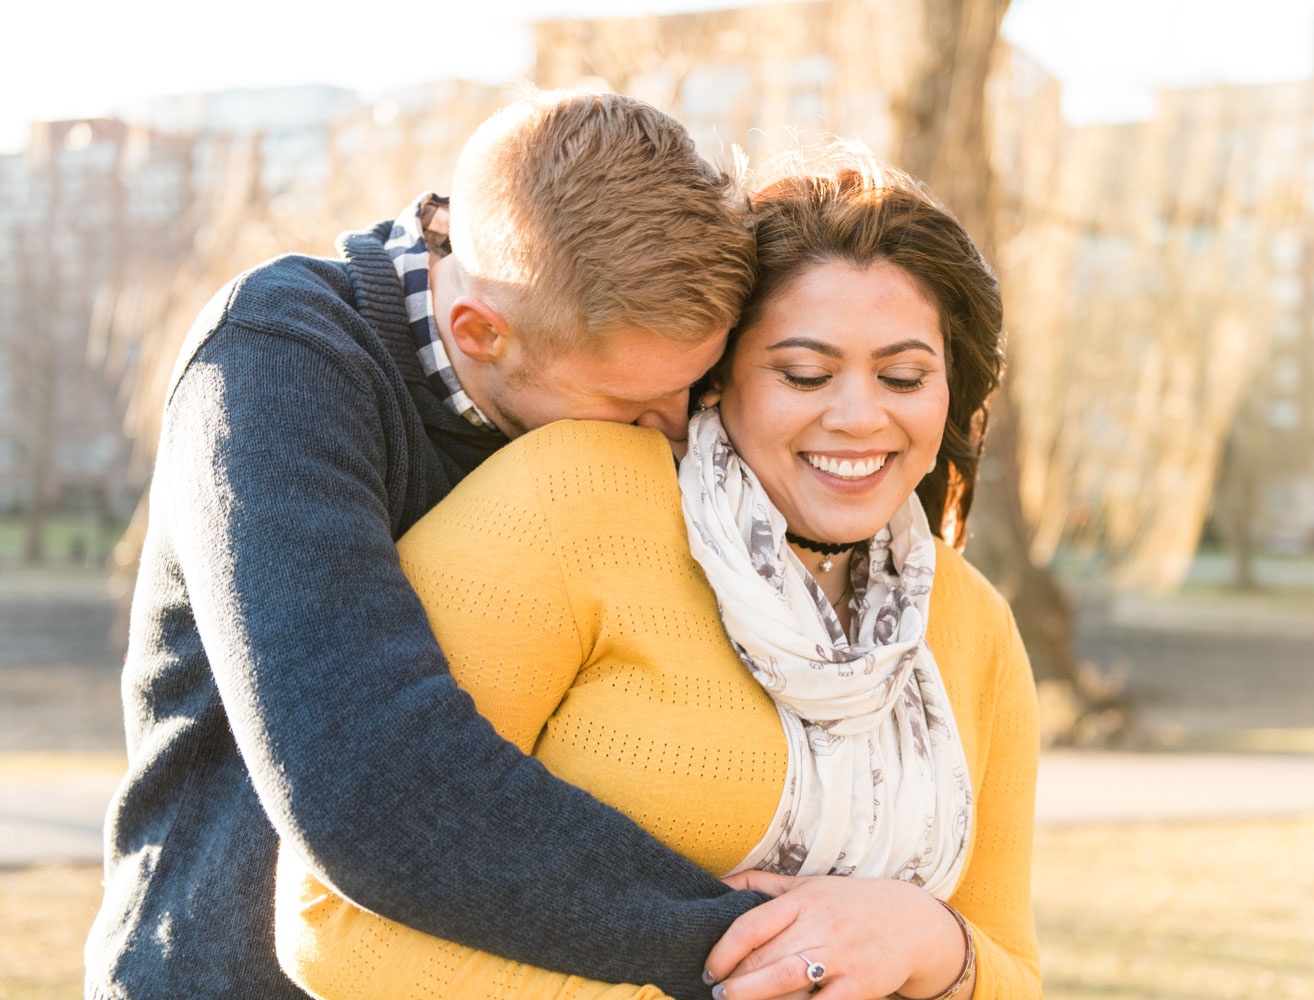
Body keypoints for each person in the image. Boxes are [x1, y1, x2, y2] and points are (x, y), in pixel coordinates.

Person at [274, 150, 1042, 1000]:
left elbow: (1013, 968)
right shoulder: (576, 498)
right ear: (713, 379)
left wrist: (936, 941)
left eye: (904, 376)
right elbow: (331, 922)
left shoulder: (973, 625)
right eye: (804, 374)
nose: (860, 416)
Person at [85, 90, 772, 1000]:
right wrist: (742, 946)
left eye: (699, 387)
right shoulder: (277, 356)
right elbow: (371, 783)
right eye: (632, 407)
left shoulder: (604, 373)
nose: (681, 433)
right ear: (479, 333)